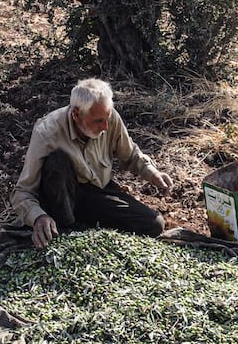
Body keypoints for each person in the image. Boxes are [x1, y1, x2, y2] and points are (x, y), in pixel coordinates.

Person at [11, 78, 174, 248]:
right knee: (56, 162)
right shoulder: (47, 132)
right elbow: (22, 192)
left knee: (153, 224)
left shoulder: (108, 117)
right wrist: (38, 217)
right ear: (76, 114)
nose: (105, 127)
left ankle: (82, 228)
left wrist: (152, 173)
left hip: (96, 193)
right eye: (98, 121)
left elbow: (130, 154)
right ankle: (66, 227)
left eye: (107, 118)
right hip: (61, 198)